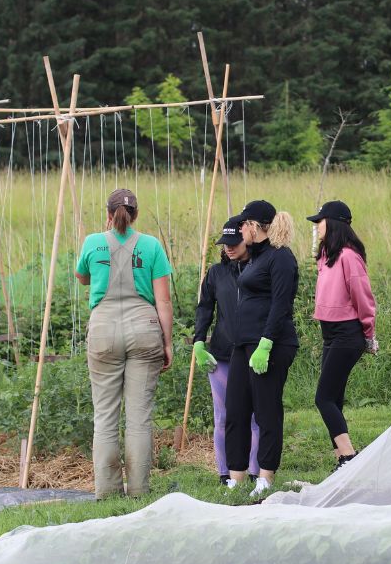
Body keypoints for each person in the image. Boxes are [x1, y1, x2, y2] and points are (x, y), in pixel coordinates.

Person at [75, 188, 173, 499]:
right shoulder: (151, 245)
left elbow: (82, 276)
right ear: (136, 215)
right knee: (138, 417)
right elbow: (164, 300)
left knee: (105, 415)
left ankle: (106, 491)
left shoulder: (93, 243)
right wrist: (167, 342)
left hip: (103, 329)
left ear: (108, 214)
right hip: (144, 328)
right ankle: (139, 491)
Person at [224, 200, 299, 496]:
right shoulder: (254, 258)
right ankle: (236, 476)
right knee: (236, 410)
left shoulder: (280, 258)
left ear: (255, 226)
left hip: (270, 344)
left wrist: (266, 343)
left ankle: (265, 476)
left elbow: (281, 303)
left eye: (243, 224)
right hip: (244, 345)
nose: (240, 229)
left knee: (266, 411)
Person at [307, 200, 378, 470]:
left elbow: (363, 297)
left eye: (319, 221)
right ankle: (341, 458)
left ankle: (349, 457)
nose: (316, 226)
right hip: (330, 332)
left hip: (348, 333)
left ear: (333, 222)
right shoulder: (326, 256)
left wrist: (368, 332)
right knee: (333, 398)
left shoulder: (349, 255)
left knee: (322, 398)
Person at [193, 215, 260, 485]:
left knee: (254, 416)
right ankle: (225, 474)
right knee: (223, 416)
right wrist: (199, 341)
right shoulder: (216, 273)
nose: (229, 248)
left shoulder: (258, 269)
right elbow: (205, 309)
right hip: (222, 355)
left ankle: (256, 472)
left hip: (253, 352)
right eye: (225, 243)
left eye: (234, 243)